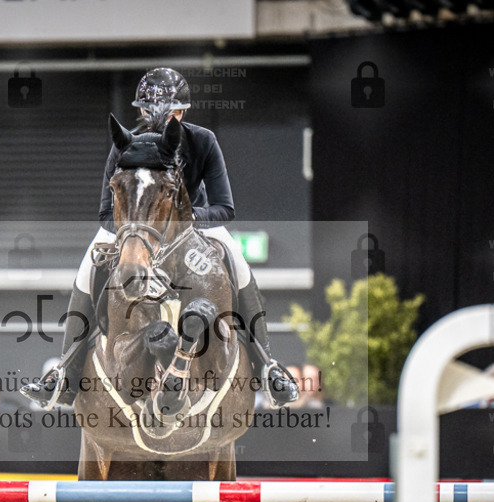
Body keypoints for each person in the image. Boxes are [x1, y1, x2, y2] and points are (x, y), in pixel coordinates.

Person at [21, 67, 298, 411]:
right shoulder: (126, 143)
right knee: (86, 267)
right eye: (147, 110)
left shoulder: (203, 140)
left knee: (237, 260)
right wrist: (130, 232)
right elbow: (105, 212)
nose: (159, 117)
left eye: (173, 111)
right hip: (137, 232)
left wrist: (186, 219)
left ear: (183, 112)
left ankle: (267, 366)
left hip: (192, 227)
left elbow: (225, 208)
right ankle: (64, 373)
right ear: (139, 110)